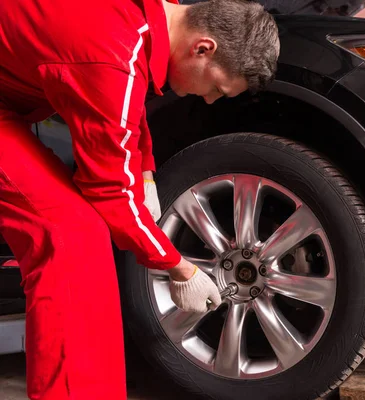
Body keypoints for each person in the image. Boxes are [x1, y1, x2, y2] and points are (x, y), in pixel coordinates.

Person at [0, 0, 280, 398]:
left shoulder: (142, 20)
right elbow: (110, 190)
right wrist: (179, 267)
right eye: (217, 88)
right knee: (68, 233)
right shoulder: (111, 55)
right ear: (203, 48)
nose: (211, 99)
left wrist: (144, 170)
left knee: (83, 230)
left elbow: (126, 97)